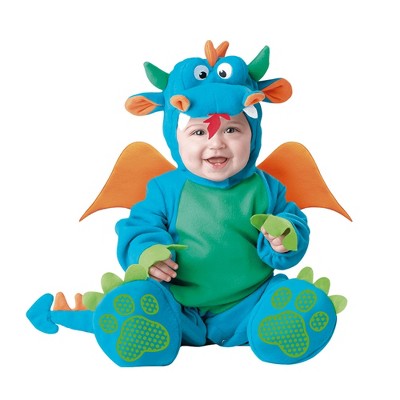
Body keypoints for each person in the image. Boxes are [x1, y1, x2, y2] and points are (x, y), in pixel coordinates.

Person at [27, 40, 346, 367]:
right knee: (147, 299)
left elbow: (293, 228)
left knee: (275, 297)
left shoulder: (267, 187)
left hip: (248, 303)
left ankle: (279, 322)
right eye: (198, 133)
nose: (216, 143)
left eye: (232, 129)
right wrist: (149, 254)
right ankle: (135, 323)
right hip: (175, 305)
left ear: (253, 135)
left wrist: (283, 238)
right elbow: (140, 229)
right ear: (174, 137)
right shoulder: (164, 188)